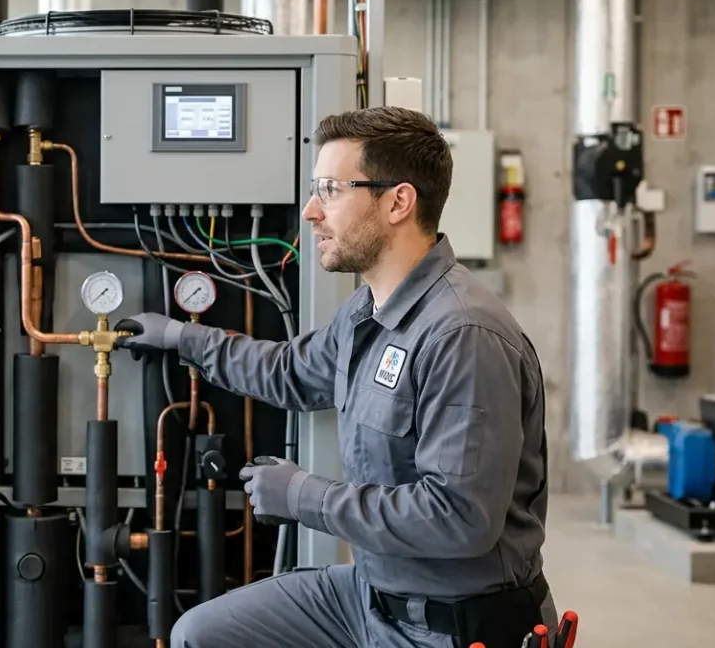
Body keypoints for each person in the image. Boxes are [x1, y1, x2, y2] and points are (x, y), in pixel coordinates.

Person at [115, 106, 553, 648]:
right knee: (202, 635)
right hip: (371, 596)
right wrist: (181, 338)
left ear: (398, 201)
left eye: (330, 189)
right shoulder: (370, 310)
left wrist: (304, 497)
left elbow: (459, 518)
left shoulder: (462, 335)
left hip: (450, 625)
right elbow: (290, 371)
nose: (310, 211)